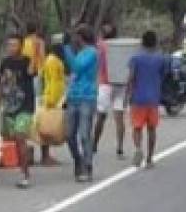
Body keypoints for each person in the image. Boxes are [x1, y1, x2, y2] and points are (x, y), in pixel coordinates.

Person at [126, 31, 169, 170]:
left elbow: (131, 78)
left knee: (137, 127)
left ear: (142, 42)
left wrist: (128, 95)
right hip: (153, 98)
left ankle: (138, 148)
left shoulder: (136, 58)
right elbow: (163, 75)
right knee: (152, 129)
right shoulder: (160, 59)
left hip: (138, 98)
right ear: (155, 43)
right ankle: (150, 158)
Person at [0, 35, 37, 188]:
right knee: (14, 138)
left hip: (25, 105)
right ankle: (24, 163)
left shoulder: (27, 61)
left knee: (21, 137)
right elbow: (3, 81)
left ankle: (25, 174)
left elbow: (32, 72)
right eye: (9, 44)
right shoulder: (5, 62)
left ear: (21, 46)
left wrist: (35, 54)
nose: (11, 47)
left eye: (14, 45)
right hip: (10, 105)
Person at [63, 26, 100, 183]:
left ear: (81, 37)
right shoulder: (79, 53)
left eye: (76, 37)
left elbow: (76, 66)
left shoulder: (91, 52)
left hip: (86, 97)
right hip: (73, 97)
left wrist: (66, 49)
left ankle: (87, 166)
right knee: (69, 134)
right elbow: (73, 73)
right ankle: (77, 159)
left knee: (84, 134)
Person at [93, 21, 126, 159]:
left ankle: (94, 144)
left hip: (105, 84)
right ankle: (119, 147)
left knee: (101, 116)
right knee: (119, 116)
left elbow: (96, 63)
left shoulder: (99, 45)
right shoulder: (120, 46)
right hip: (119, 83)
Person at [37, 36, 67, 167]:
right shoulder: (54, 62)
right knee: (47, 128)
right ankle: (45, 156)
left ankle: (46, 155)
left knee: (47, 127)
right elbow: (54, 81)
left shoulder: (50, 60)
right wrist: (52, 100)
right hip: (52, 97)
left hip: (51, 96)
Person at [21, 21, 46, 98]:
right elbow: (42, 56)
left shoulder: (23, 42)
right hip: (37, 72)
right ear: (36, 30)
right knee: (38, 96)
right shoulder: (39, 42)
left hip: (25, 71)